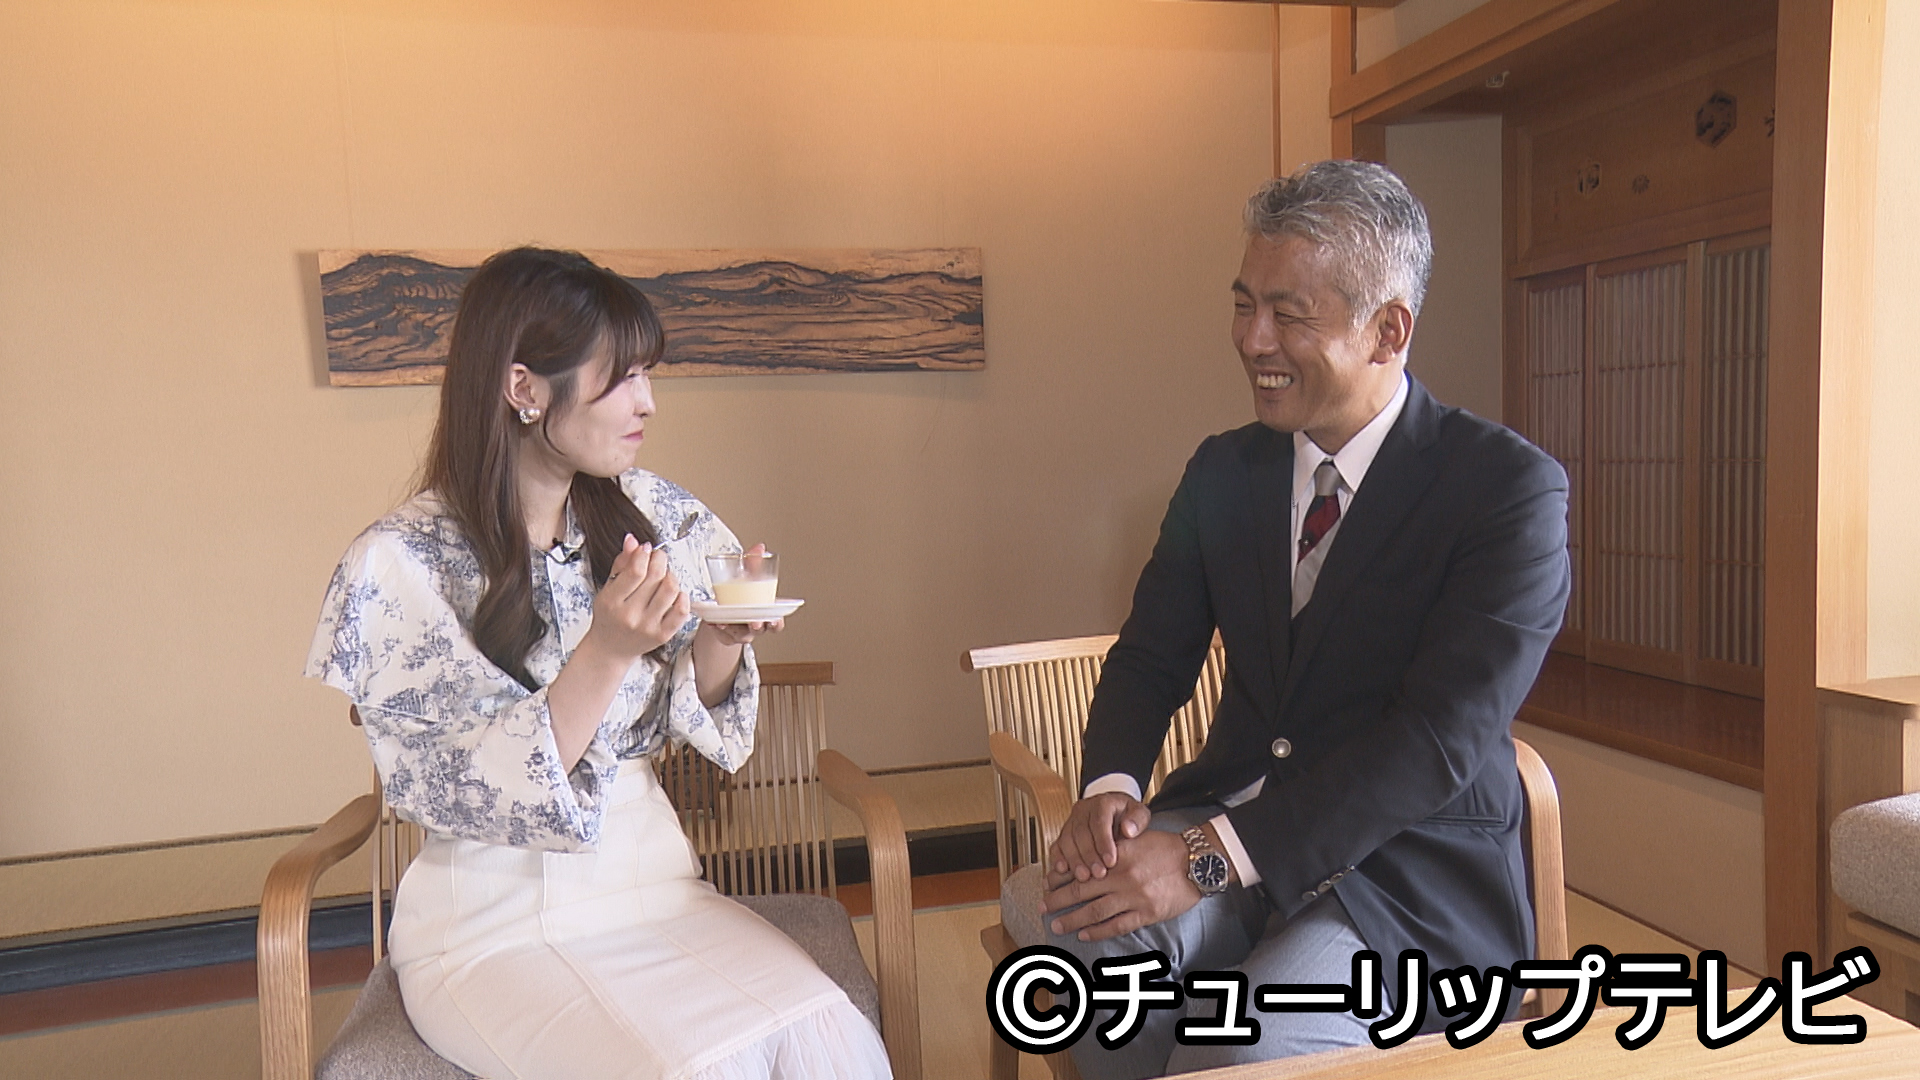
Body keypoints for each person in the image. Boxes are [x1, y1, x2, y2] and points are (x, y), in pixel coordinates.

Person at [1027, 160, 1571, 1077]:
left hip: (1405, 871)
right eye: (1244, 305)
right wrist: (1110, 786)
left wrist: (1203, 858)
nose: (1253, 340)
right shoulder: (1223, 471)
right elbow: (1152, 654)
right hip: (1236, 807)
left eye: (1289, 314)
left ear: (1389, 331)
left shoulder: (1506, 491)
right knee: (1076, 944)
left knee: (1246, 1039)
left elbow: (1434, 743)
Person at [305, 247, 891, 1080]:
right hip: (489, 927)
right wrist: (607, 650)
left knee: (830, 1043)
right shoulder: (400, 564)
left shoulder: (654, 512)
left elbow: (687, 716)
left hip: (654, 887)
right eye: (620, 378)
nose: (647, 402)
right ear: (524, 388)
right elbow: (463, 787)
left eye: (648, 374)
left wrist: (723, 639)